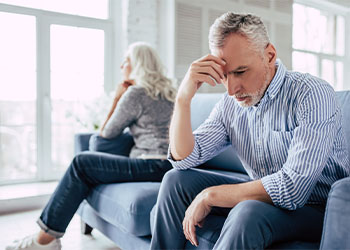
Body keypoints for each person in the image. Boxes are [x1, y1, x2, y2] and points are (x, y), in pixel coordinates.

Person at [150, 12, 350, 249]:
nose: (232, 89)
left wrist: (210, 196)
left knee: (248, 211)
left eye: (241, 71)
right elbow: (185, 159)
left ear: (269, 55)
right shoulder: (230, 104)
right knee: (175, 181)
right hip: (266, 196)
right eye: (225, 75)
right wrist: (183, 98)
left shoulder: (312, 94)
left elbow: (293, 188)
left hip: (317, 208)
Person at [6, 42, 176, 250]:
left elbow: (107, 133)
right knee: (85, 165)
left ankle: (45, 239)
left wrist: (116, 98)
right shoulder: (171, 94)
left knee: (81, 162)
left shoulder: (136, 94)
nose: (122, 66)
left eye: (126, 61)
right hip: (169, 165)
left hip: (151, 164)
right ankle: (47, 237)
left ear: (137, 65)